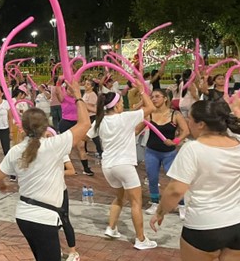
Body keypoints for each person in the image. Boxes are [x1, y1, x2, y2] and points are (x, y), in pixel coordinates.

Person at [0, 81, 90, 261]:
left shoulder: (17, 150)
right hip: (44, 219)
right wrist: (78, 97)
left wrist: (3, 188)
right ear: (45, 126)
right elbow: (85, 125)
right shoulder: (54, 145)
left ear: (24, 127)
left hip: (24, 216)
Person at [150, 99, 240, 261]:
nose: (187, 122)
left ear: (201, 124)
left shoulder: (193, 148)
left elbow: (175, 190)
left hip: (203, 226)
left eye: (190, 118)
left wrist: (160, 212)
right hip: (238, 224)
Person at [91, 82, 158, 249]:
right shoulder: (124, 117)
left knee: (120, 197)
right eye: (121, 103)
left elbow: (88, 136)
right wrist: (142, 91)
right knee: (136, 202)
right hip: (124, 165)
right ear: (116, 105)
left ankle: (111, 228)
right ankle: (141, 240)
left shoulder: (100, 121)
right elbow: (151, 107)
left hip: (108, 166)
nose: (123, 105)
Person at [139, 89, 189, 217]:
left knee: (175, 179)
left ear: (165, 98)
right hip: (151, 151)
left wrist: (175, 141)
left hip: (169, 153)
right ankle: (155, 203)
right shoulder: (149, 114)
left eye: (157, 96)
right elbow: (136, 127)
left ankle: (181, 204)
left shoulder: (175, 114)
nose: (154, 99)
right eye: (152, 97)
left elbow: (185, 131)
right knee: (152, 178)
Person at [56, 84, 93, 176]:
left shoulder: (79, 101)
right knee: (65, 147)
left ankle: (86, 168)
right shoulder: (63, 98)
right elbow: (57, 91)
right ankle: (66, 167)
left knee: (81, 147)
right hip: (65, 123)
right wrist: (59, 82)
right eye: (69, 90)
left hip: (77, 124)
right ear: (66, 90)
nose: (71, 92)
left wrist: (102, 110)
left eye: (72, 90)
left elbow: (90, 108)